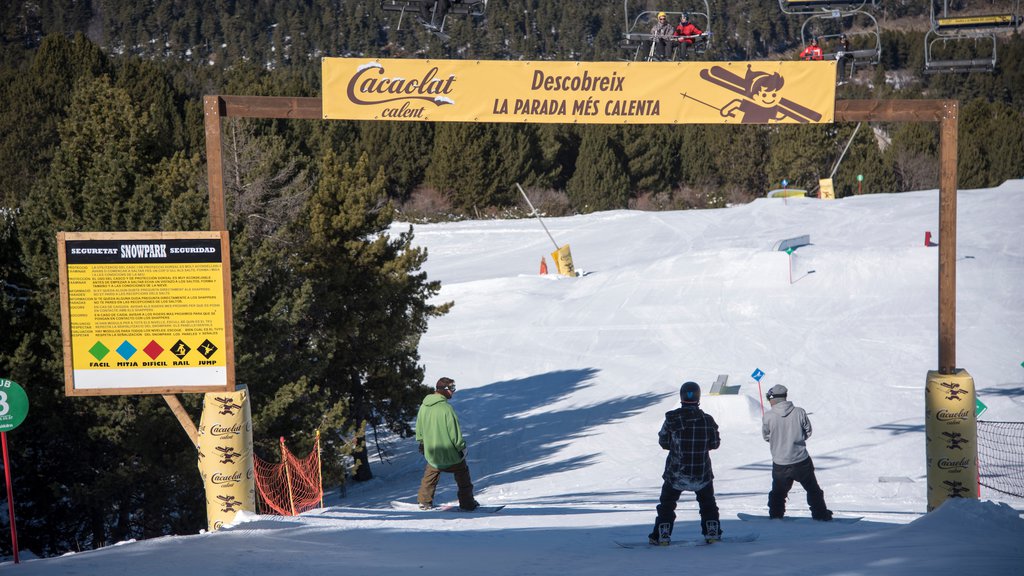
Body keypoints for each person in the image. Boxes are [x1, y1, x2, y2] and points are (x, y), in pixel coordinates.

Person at [648, 381, 722, 545]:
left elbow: (663, 442)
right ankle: (712, 532)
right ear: (698, 397)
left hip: (676, 473)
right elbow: (715, 444)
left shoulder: (672, 418)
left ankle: (662, 534)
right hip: (701, 473)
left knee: (667, 505)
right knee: (708, 504)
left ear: (682, 396)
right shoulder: (707, 420)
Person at [761, 384, 833, 520]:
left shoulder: (768, 416)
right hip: (801, 460)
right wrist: (797, 439)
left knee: (778, 492)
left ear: (773, 399)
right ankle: (821, 515)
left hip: (780, 462)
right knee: (812, 489)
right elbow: (808, 431)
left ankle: (776, 516)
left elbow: (766, 436)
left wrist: (779, 441)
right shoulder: (799, 412)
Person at [416, 377, 479, 510]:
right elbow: (454, 433)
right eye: (452, 389)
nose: (453, 392)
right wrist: (461, 447)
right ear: (444, 390)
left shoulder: (424, 406)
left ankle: (424, 501)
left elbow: (419, 428)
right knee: (463, 475)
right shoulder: (446, 409)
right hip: (450, 452)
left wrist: (422, 443)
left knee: (431, 474)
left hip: (433, 452)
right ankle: (467, 503)